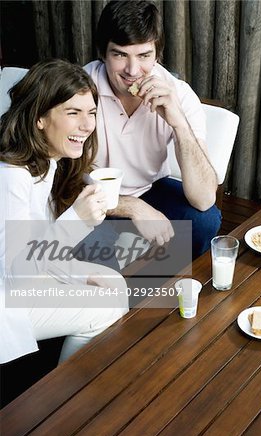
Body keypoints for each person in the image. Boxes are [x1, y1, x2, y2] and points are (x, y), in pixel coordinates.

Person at [0, 59, 128, 364]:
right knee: (105, 306)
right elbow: (15, 276)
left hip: (24, 279)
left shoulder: (45, 162)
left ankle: (75, 376)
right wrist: (76, 221)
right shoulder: (11, 177)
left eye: (91, 113)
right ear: (40, 118)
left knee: (113, 283)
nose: (87, 125)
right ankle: (63, 402)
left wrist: (78, 276)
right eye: (73, 113)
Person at [84, 0, 221, 259]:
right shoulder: (79, 90)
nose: (133, 71)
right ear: (103, 53)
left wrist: (178, 122)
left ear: (157, 54)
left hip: (150, 188)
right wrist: (133, 208)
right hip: (90, 197)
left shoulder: (178, 94)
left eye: (144, 55)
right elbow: (60, 182)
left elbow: (204, 198)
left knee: (204, 221)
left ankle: (160, 288)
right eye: (120, 54)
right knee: (96, 256)